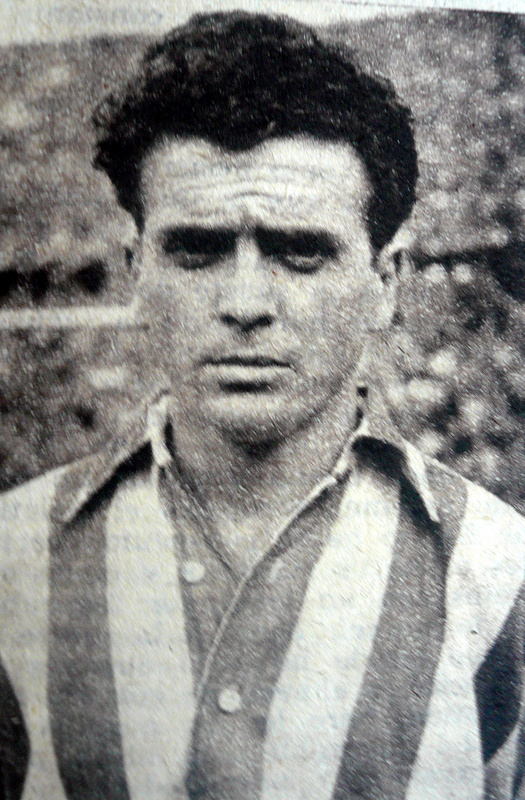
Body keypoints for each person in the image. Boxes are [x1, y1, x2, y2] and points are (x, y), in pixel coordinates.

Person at [0, 11, 524, 800]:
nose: (244, 303)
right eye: (197, 249)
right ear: (137, 271)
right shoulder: (14, 561)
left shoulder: (498, 575)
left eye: (300, 251)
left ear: (384, 283)